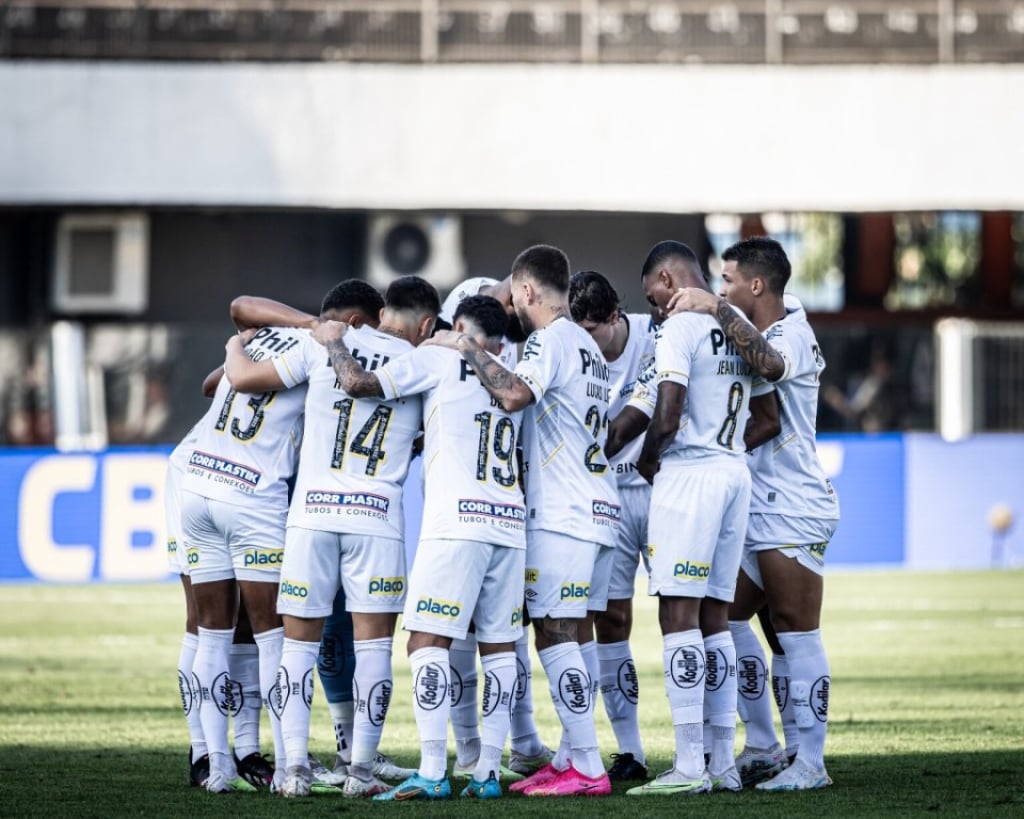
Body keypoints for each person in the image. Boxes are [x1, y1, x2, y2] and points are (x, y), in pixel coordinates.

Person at [223, 275, 440, 799]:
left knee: (296, 649)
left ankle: (293, 768)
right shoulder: (425, 363)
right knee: (374, 651)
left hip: (312, 515)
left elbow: (241, 380)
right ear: (425, 325)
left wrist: (234, 345)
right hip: (377, 519)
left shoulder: (318, 340)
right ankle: (359, 773)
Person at [428, 244, 619, 797]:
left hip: (563, 514)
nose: (510, 306)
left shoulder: (552, 339)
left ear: (528, 292)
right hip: (597, 505)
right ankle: (570, 755)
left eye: (512, 296)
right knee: (573, 633)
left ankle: (586, 766)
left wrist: (463, 344)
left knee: (553, 633)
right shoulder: (586, 343)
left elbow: (513, 393)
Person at [319, 295, 527, 800]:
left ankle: (433, 770)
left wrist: (335, 344)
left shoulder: (438, 356)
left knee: (425, 643)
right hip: (509, 523)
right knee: (498, 647)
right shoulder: (511, 370)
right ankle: (488, 773)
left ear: (457, 326)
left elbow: (359, 385)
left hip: (455, 523)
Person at [668, 236, 840, 791]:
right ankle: (764, 744)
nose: (722, 288)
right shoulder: (755, 330)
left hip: (793, 504)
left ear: (756, 285)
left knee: (795, 630)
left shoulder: (793, 334)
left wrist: (714, 307)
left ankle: (811, 762)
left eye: (728, 280)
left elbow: (768, 363)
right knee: (725, 618)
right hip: (752, 500)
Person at [624, 241, 774, 797]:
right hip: (735, 472)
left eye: (653, 296)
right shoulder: (733, 327)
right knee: (717, 615)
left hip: (690, 475)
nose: (655, 308)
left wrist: (647, 464)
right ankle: (721, 762)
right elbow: (769, 395)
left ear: (667, 279)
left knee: (678, 615)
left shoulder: (680, 330)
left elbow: (666, 412)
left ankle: (689, 766)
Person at [438, 276, 552, 780]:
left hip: (480, 510)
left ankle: (495, 747)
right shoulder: (512, 368)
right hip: (501, 509)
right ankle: (482, 750)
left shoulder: (464, 357)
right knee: (493, 636)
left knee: (483, 632)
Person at [568, 270, 656, 781]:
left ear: (615, 317)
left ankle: (717, 744)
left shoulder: (653, 335)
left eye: (594, 334)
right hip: (609, 497)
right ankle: (632, 751)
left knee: (691, 617)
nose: (589, 348)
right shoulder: (570, 349)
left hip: (666, 489)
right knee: (612, 621)